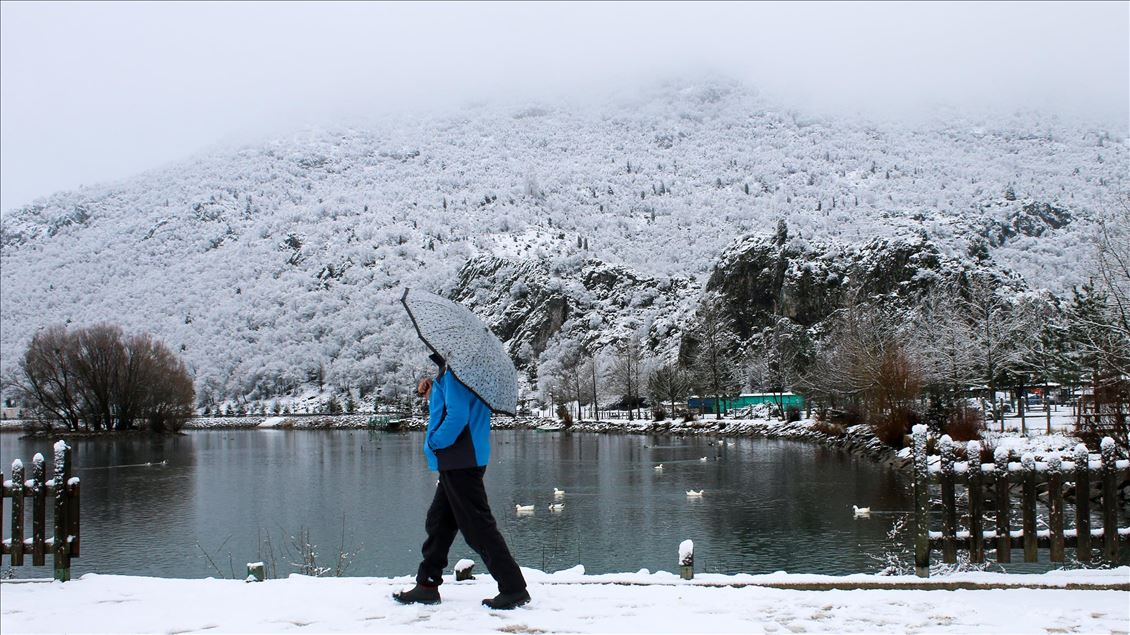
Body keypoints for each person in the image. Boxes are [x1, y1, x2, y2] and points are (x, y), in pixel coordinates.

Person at [393, 353, 530, 610]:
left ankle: (514, 588)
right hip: (464, 458)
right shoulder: (466, 373)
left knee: (478, 527)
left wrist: (435, 442)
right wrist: (434, 389)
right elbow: (459, 404)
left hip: (460, 459)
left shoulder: (457, 373)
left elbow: (457, 416)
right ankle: (427, 584)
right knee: (439, 521)